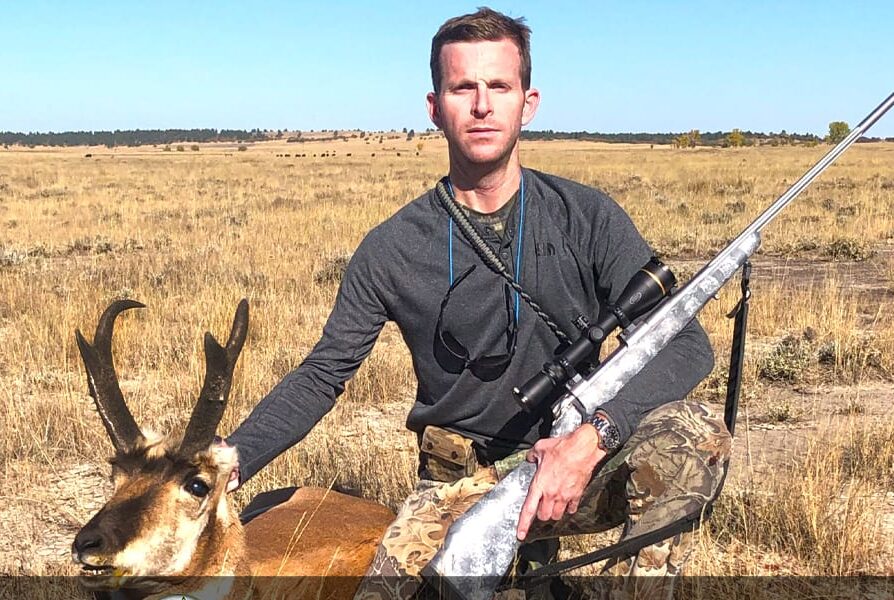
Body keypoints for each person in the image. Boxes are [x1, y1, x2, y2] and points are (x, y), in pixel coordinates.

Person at [227, 7, 731, 599]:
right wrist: (228, 460)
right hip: (453, 486)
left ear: (529, 101)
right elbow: (324, 373)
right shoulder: (391, 247)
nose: (483, 105)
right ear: (435, 107)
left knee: (697, 430)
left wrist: (593, 436)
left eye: (500, 86)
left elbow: (688, 345)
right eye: (463, 87)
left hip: (569, 463)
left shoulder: (587, 217)